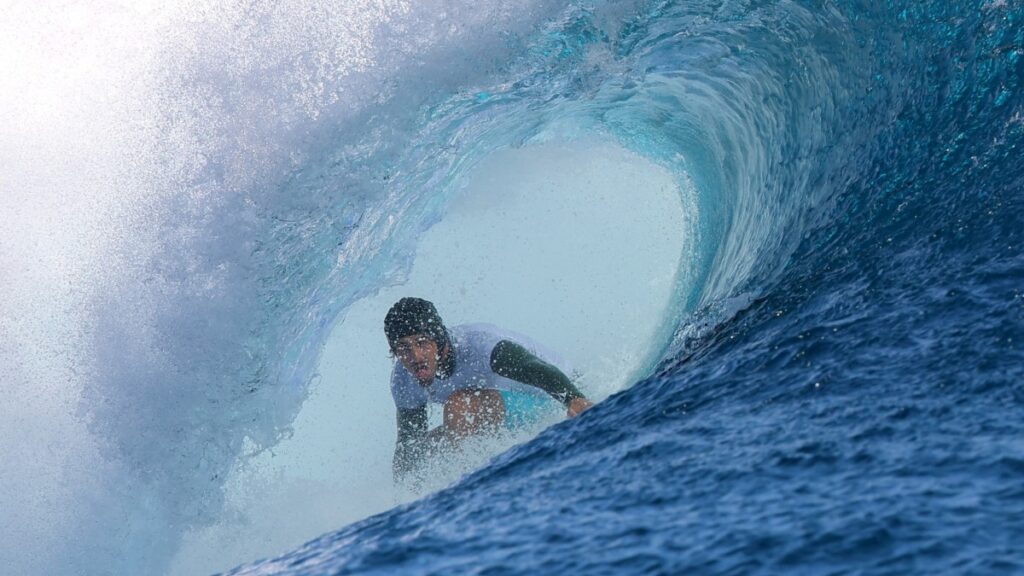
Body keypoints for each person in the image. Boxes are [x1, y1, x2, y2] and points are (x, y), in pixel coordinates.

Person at [385, 297, 593, 480]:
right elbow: (409, 445)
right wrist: (402, 495)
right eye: (403, 349)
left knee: (460, 405)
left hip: (553, 400)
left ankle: (471, 483)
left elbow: (534, 368)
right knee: (428, 446)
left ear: (438, 341)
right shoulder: (404, 380)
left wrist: (575, 398)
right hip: (508, 413)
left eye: (422, 343)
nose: (415, 357)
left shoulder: (480, 346)